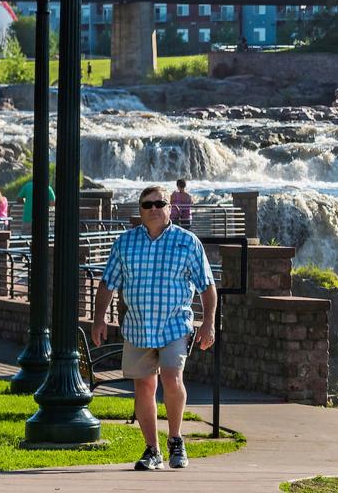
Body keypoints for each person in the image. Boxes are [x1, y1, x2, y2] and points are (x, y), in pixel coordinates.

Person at [91, 186, 217, 471]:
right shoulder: (125, 243)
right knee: (144, 387)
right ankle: (152, 450)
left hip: (174, 325)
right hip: (137, 327)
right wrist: (99, 319)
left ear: (170, 207)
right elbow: (107, 283)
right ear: (140, 210)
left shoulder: (188, 243)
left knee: (172, 379)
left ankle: (176, 440)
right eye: (147, 205)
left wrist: (208, 323)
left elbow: (207, 287)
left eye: (159, 203)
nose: (153, 209)